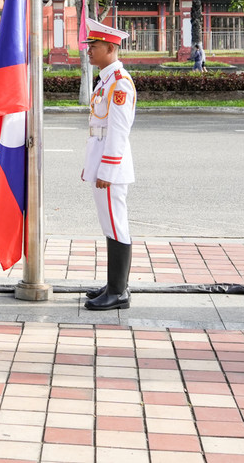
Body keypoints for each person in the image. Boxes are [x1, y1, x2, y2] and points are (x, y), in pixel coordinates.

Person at [82, 22, 136, 311]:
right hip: (101, 160)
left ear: (111, 49)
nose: (89, 50)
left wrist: (107, 170)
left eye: (95, 45)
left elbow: (118, 131)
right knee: (109, 224)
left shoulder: (120, 83)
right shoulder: (105, 80)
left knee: (117, 225)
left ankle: (119, 292)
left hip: (111, 166)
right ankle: (114, 284)